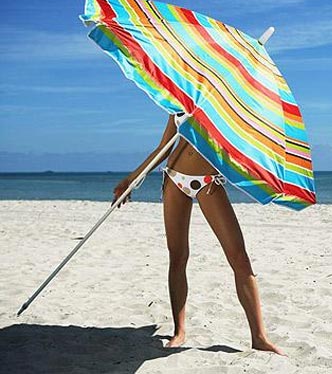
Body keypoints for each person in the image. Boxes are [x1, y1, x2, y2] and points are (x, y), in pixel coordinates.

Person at [112, 113, 284, 355]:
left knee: (239, 258)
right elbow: (163, 148)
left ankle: (259, 337)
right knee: (178, 256)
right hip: (174, 178)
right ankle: (179, 330)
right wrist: (131, 179)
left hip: (208, 181)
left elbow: (242, 146)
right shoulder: (180, 103)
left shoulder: (225, 104)